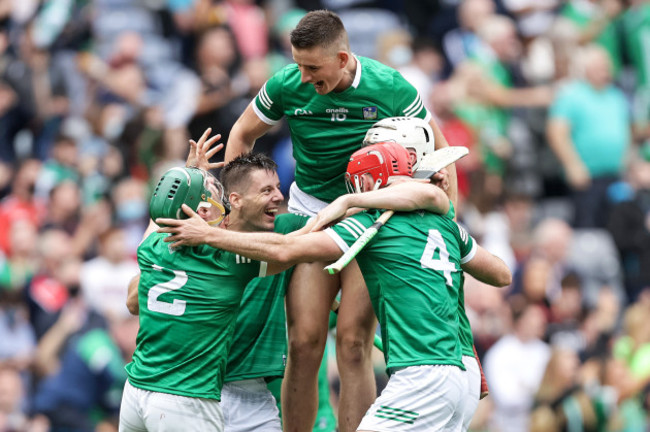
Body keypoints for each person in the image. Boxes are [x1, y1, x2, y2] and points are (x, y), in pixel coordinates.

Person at [157, 142, 512, 430]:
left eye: (356, 183)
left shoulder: (370, 226)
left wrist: (351, 202)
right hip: (462, 372)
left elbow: (288, 248)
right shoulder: (447, 225)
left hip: (422, 373)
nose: (278, 197)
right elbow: (502, 274)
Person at [224, 9, 457, 432]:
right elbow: (242, 132)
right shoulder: (286, 85)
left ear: (344, 58)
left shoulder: (389, 86)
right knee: (304, 341)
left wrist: (449, 219)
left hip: (370, 216)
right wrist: (234, 209)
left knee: (353, 343)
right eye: (298, 64)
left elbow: (440, 150)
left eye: (313, 67)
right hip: (312, 212)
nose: (304, 76)